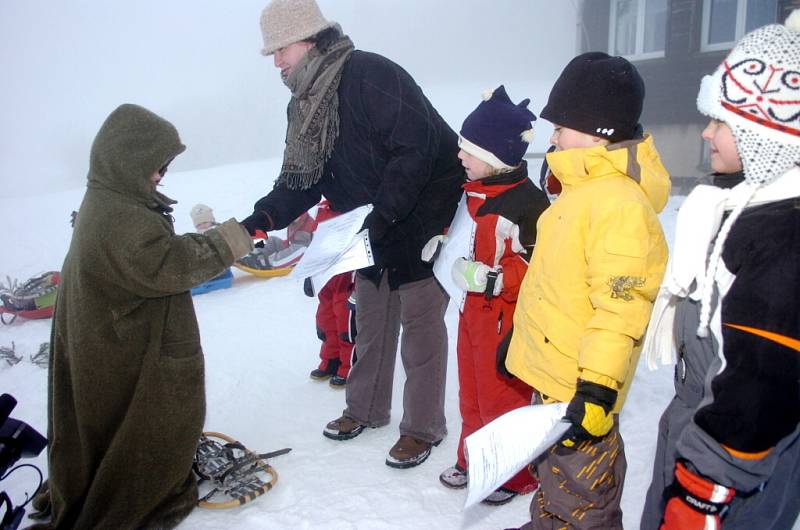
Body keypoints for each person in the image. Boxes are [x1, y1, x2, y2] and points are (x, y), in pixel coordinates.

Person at [241, 0, 463, 469]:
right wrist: (259, 219)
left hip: (424, 210)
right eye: (272, 54)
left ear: (310, 38)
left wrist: (382, 218)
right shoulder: (303, 105)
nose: (276, 61)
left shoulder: (369, 74)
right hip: (367, 219)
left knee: (420, 326)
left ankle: (423, 427)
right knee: (370, 313)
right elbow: (301, 180)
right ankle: (365, 409)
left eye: (280, 49)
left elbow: (416, 149)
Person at [37, 103, 253, 529]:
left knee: (108, 425)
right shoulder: (121, 218)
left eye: (164, 168)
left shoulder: (108, 197)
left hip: (109, 336)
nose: (160, 176)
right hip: (123, 345)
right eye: (156, 166)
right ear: (128, 158)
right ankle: (139, 491)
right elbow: (169, 264)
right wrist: (236, 236)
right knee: (147, 422)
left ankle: (105, 481)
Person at [639, 13, 800, 530]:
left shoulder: (782, 242)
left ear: (768, 136)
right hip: (698, 425)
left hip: (731, 472)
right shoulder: (743, 207)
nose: (706, 132)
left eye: (721, 121)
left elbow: (759, 381)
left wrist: (702, 493)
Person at [503, 53, 671, 529]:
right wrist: (520, 346)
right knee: (553, 477)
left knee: (582, 496)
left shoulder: (618, 205)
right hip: (555, 377)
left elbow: (620, 309)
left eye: (561, 126)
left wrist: (596, 393)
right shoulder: (580, 192)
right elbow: (555, 288)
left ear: (598, 131)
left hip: (581, 392)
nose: (552, 136)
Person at [422, 86, 549, 505]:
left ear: (494, 158)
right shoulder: (472, 193)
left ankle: (512, 474)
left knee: (502, 395)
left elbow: (541, 265)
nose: (460, 156)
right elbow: (467, 240)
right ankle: (474, 457)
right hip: (471, 312)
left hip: (506, 319)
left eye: (468, 150)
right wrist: (444, 244)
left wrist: (494, 281)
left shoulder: (527, 204)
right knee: (471, 392)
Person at [307, 200, 357, 388]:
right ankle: (331, 359)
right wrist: (310, 275)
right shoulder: (323, 209)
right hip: (325, 276)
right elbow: (315, 244)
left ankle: (349, 367)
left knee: (346, 324)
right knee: (325, 321)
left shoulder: (357, 205)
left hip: (346, 275)